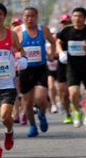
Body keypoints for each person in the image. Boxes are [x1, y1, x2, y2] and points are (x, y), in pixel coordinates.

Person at [0, 3, 27, 158]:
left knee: (5, 116)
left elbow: (20, 49)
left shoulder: (11, 35)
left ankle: (9, 132)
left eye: (0, 14)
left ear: (4, 17)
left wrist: (23, 59)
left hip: (8, 83)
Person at [56, 7, 86, 130]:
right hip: (72, 67)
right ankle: (77, 111)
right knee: (73, 92)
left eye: (80, 16)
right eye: (75, 16)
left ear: (85, 19)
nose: (77, 18)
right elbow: (58, 41)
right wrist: (61, 53)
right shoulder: (67, 30)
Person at [17, 7, 56, 137]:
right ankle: (33, 126)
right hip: (25, 70)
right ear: (23, 17)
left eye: (32, 16)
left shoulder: (43, 30)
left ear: (36, 17)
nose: (29, 19)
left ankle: (42, 114)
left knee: (40, 97)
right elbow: (10, 46)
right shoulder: (17, 31)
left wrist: (52, 54)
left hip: (40, 68)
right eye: (27, 16)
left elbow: (52, 41)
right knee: (27, 102)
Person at [57, 13, 73, 124]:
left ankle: (76, 108)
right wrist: (60, 53)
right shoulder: (58, 35)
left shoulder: (75, 34)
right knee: (64, 93)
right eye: (63, 22)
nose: (65, 24)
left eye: (67, 22)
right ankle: (68, 113)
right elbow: (56, 46)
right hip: (62, 65)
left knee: (73, 91)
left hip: (74, 65)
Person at [46, 28, 59, 114]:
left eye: (54, 34)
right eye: (51, 34)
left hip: (59, 69)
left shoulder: (59, 44)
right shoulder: (46, 45)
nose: (53, 35)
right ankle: (53, 104)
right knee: (51, 87)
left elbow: (57, 53)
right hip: (50, 69)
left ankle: (60, 103)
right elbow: (48, 53)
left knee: (60, 88)